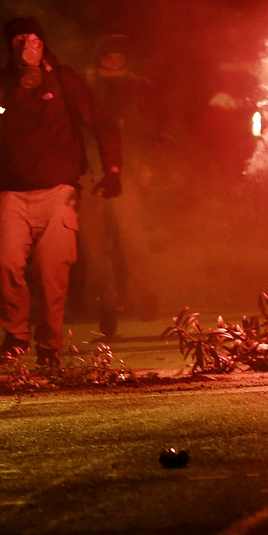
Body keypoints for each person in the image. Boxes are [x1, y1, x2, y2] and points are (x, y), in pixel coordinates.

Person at [0, 17, 122, 366]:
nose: (26, 46)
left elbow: (101, 122)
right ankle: (15, 336)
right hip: (13, 191)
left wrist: (112, 169)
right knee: (7, 263)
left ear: (43, 42)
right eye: (19, 39)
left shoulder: (64, 79)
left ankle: (50, 345)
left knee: (52, 271)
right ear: (10, 45)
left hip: (59, 192)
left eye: (33, 39)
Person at [81, 35, 165, 334]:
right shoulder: (85, 86)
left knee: (133, 238)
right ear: (99, 59)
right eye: (109, 57)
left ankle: (146, 299)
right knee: (94, 245)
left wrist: (145, 166)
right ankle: (106, 305)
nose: (114, 62)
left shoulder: (139, 86)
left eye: (119, 57)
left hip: (127, 171)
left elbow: (147, 129)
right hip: (90, 172)